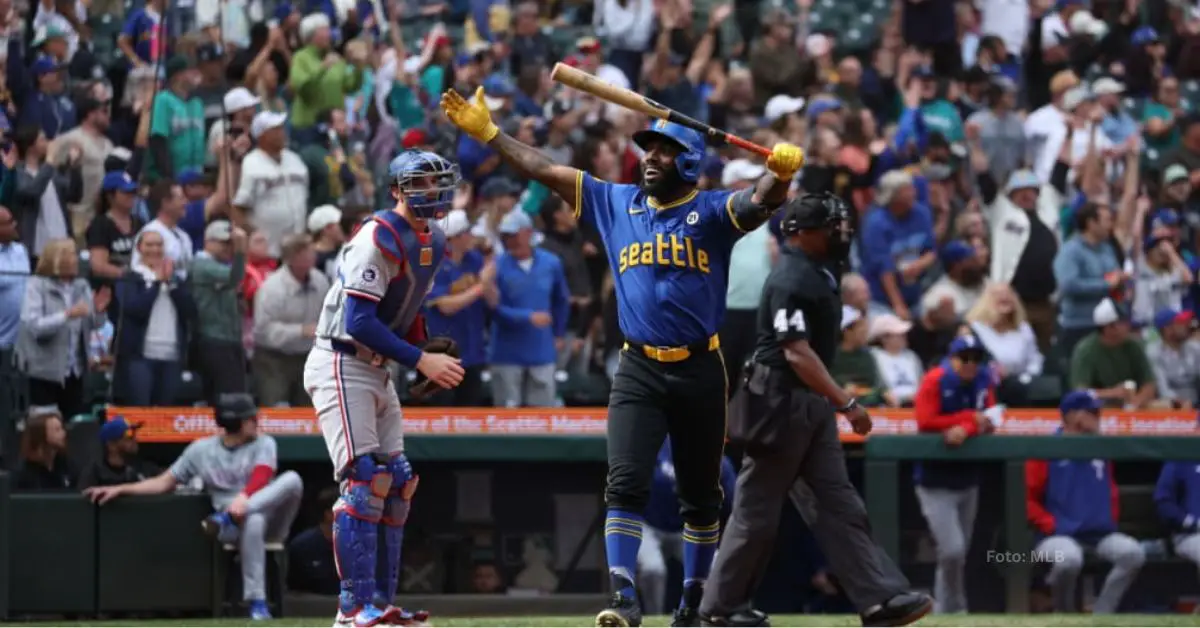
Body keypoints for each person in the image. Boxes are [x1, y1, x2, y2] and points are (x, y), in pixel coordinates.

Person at [441, 87, 804, 627]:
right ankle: (625, 599)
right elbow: (545, 168)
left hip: (701, 367)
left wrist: (781, 174)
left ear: (687, 160)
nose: (648, 157)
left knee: (702, 496)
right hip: (638, 366)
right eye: (646, 149)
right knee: (625, 481)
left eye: (660, 150)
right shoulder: (616, 202)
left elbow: (760, 202)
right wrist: (492, 135)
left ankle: (690, 605)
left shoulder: (709, 211)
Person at [701, 193, 931, 628]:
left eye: (840, 225)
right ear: (801, 233)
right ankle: (719, 608)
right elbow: (795, 352)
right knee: (757, 509)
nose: (840, 233)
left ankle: (879, 600)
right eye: (831, 226)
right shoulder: (791, 276)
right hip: (780, 400)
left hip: (808, 403)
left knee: (839, 503)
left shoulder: (819, 269)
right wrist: (846, 402)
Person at [303, 150, 466, 627]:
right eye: (418, 182)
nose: (430, 191)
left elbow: (407, 309)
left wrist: (422, 350)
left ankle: (383, 605)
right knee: (363, 479)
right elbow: (359, 321)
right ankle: (353, 608)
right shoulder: (379, 235)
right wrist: (421, 359)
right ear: (395, 189)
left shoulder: (433, 239)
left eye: (435, 182)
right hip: (341, 358)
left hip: (377, 369)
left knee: (398, 480)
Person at [84, 394, 305, 620]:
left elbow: (262, 475)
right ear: (234, 422)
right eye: (250, 418)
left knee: (293, 480)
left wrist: (242, 500)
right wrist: (122, 489)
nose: (256, 422)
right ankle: (257, 604)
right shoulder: (201, 449)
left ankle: (226, 517)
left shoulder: (264, 442)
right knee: (253, 521)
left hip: (271, 520)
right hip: (234, 530)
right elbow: (163, 482)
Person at [1026, 390, 1145, 613]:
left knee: (1132, 553)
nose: (1098, 416)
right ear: (1072, 416)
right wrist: (1050, 524)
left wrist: (1109, 519)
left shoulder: (1100, 448)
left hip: (1098, 534)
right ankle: (1065, 615)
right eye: (1092, 412)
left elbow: (1111, 491)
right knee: (1069, 559)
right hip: (1057, 535)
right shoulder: (1046, 447)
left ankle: (1101, 615)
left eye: (1098, 411)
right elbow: (1026, 499)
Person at [912, 335, 997, 614]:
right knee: (952, 551)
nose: (971, 364)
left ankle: (944, 614)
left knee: (955, 556)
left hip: (968, 479)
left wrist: (968, 427)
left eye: (976, 358)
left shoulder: (983, 379)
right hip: (934, 480)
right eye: (965, 358)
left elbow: (991, 418)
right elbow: (925, 421)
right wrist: (968, 419)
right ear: (952, 358)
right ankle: (956, 608)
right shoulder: (935, 379)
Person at [638, 438, 735, 616]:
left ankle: (707, 616)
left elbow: (733, 507)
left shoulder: (716, 459)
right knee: (653, 568)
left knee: (716, 568)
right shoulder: (658, 445)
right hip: (648, 524)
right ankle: (654, 619)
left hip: (688, 527)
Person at [15, 238, 110, 418]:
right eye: (72, 255)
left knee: (73, 425)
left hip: (75, 372)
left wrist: (98, 312)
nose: (77, 260)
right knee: (45, 427)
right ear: (58, 259)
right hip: (44, 372)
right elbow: (35, 326)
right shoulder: (36, 285)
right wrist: (67, 315)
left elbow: (94, 325)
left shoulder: (81, 286)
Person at [77, 416, 160, 488]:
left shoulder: (146, 469)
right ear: (111, 445)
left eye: (135, 434)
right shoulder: (94, 473)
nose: (135, 440)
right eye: (129, 436)